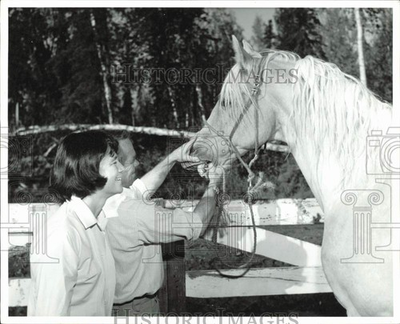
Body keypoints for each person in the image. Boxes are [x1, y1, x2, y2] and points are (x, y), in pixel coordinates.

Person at [103, 131, 223, 316]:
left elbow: (140, 188)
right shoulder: (134, 212)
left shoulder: (104, 200)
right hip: (138, 310)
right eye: (132, 160)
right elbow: (195, 224)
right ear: (116, 166)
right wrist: (214, 183)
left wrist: (173, 158)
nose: (138, 164)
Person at [28, 131, 124, 316]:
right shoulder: (62, 236)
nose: (122, 168)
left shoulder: (96, 222)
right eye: (114, 162)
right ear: (90, 169)